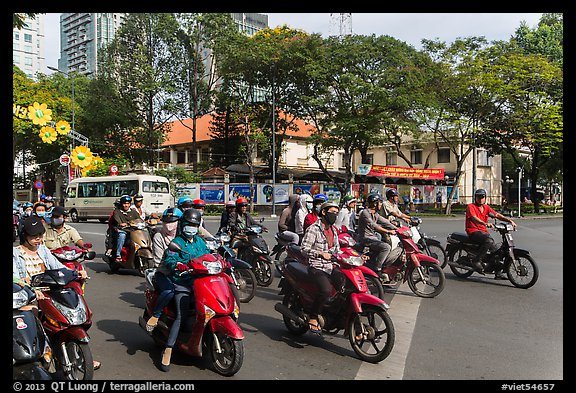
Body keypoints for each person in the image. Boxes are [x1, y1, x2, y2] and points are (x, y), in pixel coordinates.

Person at [149, 208, 210, 372]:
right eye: (189, 224)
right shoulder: (176, 243)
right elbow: (169, 259)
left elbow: (208, 254)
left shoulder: (199, 241)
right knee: (181, 316)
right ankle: (168, 350)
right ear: (183, 225)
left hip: (200, 282)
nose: (192, 228)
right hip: (182, 283)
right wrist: (177, 264)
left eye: (195, 225)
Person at [300, 201, 346, 335]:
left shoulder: (333, 230)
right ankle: (313, 316)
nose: (335, 216)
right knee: (326, 290)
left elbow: (337, 249)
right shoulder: (313, 229)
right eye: (332, 213)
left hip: (331, 266)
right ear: (324, 212)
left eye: (337, 214)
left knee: (345, 285)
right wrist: (320, 254)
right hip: (316, 266)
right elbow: (304, 249)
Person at [465, 188, 517, 278]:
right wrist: (484, 223)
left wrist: (509, 220)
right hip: (473, 231)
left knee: (496, 251)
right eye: (478, 197)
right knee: (488, 241)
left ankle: (498, 272)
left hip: (483, 232)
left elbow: (497, 215)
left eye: (482, 197)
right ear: (475, 198)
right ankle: (476, 260)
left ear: (485, 198)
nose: (480, 199)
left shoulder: (486, 207)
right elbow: (474, 218)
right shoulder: (471, 206)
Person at [356, 193, 397, 279]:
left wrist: (398, 228)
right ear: (375, 203)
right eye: (380, 203)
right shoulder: (365, 213)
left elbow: (386, 222)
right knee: (386, 247)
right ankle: (377, 269)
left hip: (373, 238)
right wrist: (388, 231)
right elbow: (374, 226)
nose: (381, 205)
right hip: (365, 239)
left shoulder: (376, 215)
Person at [112, 195, 141, 263]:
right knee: (122, 235)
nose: (126, 205)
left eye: (128, 203)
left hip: (133, 231)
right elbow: (117, 220)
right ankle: (118, 254)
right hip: (123, 230)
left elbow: (139, 219)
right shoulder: (117, 212)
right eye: (124, 203)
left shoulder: (133, 212)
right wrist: (121, 224)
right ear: (122, 204)